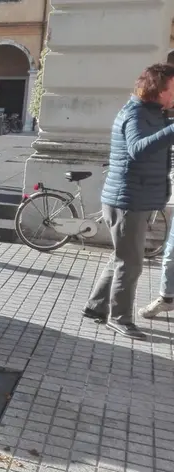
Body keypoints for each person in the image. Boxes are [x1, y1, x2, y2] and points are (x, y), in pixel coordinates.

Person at [84, 63, 174, 340]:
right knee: (130, 263)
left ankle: (96, 307)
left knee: (122, 257)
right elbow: (138, 150)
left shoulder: (154, 114)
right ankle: (119, 318)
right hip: (127, 200)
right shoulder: (133, 114)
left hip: (138, 197)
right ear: (157, 89)